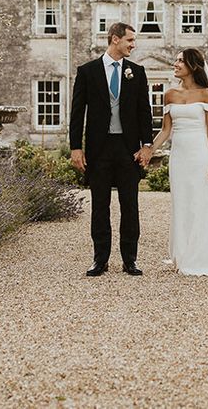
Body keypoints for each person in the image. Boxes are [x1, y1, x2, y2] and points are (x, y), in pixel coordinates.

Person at [69, 23, 154, 276]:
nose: (133, 45)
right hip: (99, 149)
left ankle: (130, 260)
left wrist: (146, 145)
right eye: (129, 40)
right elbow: (77, 113)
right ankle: (100, 259)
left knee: (130, 205)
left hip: (128, 150)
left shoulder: (136, 72)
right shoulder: (88, 71)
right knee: (100, 206)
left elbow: (144, 112)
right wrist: (76, 147)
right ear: (115, 39)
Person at [145, 48, 208, 276]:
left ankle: (201, 256)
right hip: (179, 155)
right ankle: (182, 254)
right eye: (176, 60)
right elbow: (166, 130)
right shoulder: (169, 94)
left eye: (180, 61)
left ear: (193, 66)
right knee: (181, 203)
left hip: (200, 154)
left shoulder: (206, 95)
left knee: (199, 203)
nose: (175, 64)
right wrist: (150, 149)